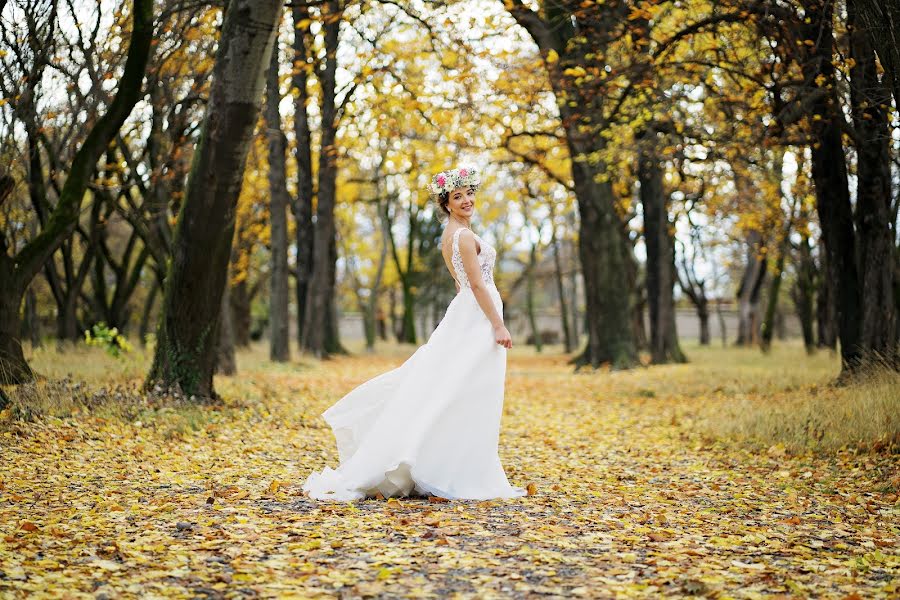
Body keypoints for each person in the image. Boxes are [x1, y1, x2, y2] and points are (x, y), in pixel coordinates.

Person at [302, 166, 527, 501]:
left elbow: (460, 283)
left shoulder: (450, 236)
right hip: (478, 317)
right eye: (457, 196)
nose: (466, 200)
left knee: (457, 388)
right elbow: (476, 284)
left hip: (468, 314)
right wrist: (497, 323)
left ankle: (450, 460)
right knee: (466, 389)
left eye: (468, 193)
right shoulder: (463, 236)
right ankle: (451, 467)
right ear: (447, 203)